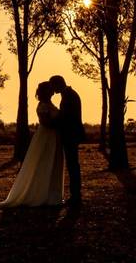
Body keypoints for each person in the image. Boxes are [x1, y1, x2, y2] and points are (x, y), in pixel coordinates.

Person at [0, 81, 64, 208]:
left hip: (53, 138)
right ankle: (41, 194)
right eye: (50, 89)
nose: (52, 91)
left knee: (53, 164)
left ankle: (52, 195)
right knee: (44, 163)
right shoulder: (42, 106)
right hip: (46, 137)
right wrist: (59, 122)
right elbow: (46, 123)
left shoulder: (49, 104)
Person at [50, 74, 84, 206]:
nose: (52, 90)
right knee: (72, 164)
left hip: (71, 134)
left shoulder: (69, 96)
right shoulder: (69, 94)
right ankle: (75, 195)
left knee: (73, 164)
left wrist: (51, 122)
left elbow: (66, 117)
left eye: (53, 86)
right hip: (71, 134)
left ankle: (76, 195)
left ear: (58, 84)